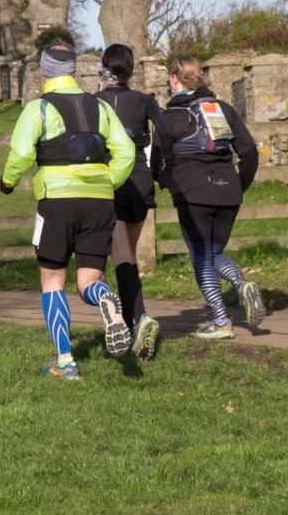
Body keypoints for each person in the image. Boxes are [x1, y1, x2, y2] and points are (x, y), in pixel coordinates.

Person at [0, 43, 137, 380]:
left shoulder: (38, 108)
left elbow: (20, 152)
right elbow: (127, 151)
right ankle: (104, 299)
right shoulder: (101, 106)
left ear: (45, 72)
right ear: (74, 71)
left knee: (53, 280)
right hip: (100, 200)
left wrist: (8, 181)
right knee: (89, 279)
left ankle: (65, 362)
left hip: (56, 202)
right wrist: (108, 181)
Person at [158, 56, 266, 339]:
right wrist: (239, 185)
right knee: (214, 253)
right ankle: (241, 284)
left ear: (174, 79)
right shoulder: (221, 110)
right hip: (228, 192)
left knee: (201, 258)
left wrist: (171, 185)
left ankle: (221, 321)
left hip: (193, 195)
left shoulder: (170, 117)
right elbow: (249, 151)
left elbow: (158, 161)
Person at [95, 44, 165, 360]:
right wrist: (158, 167)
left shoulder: (93, 103)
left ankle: (137, 320)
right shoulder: (145, 101)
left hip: (108, 178)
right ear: (131, 69)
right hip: (139, 178)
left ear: (104, 68)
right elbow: (166, 132)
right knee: (128, 257)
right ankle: (129, 323)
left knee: (120, 258)